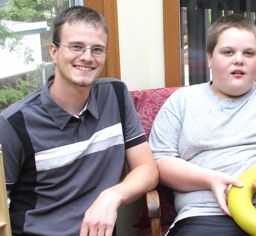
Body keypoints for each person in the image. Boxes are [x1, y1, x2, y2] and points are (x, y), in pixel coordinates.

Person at [0, 6, 158, 236]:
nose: (87, 57)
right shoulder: (14, 123)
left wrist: (111, 196)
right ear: (53, 52)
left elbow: (147, 169)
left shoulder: (115, 95)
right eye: (76, 46)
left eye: (97, 49)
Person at [149, 14, 256, 236]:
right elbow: (160, 163)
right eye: (228, 52)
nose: (239, 60)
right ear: (210, 57)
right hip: (207, 215)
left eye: (249, 53)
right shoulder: (181, 101)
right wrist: (210, 179)